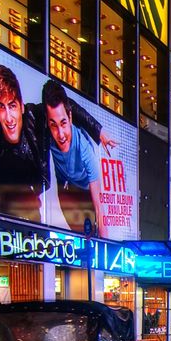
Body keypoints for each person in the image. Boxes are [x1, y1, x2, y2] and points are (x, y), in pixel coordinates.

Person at [0, 66, 110, 222]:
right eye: (1, 107)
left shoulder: (35, 116)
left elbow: (68, 106)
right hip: (4, 210)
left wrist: (99, 131)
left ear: (21, 105)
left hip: (33, 205)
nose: (8, 118)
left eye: (12, 105)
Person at [43, 80, 104, 234]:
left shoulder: (84, 148)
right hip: (65, 188)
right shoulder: (46, 136)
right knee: (75, 233)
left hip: (85, 191)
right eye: (53, 126)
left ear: (70, 117)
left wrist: (106, 246)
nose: (60, 134)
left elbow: (98, 205)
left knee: (91, 231)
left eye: (63, 123)